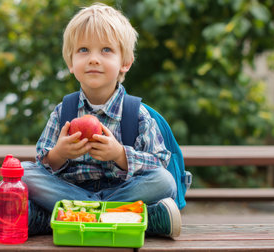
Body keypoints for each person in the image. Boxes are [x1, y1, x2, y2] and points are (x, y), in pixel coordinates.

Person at [22, 3, 181, 239]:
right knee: (23, 172)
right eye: (84, 50)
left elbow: (159, 163)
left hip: (123, 191)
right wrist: (59, 153)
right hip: (71, 190)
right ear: (70, 63)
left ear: (125, 63)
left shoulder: (136, 113)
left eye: (106, 50)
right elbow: (42, 161)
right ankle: (129, 218)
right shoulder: (63, 111)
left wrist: (120, 155)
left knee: (165, 181)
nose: (94, 59)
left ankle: (60, 218)